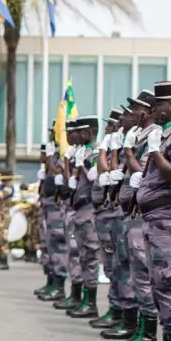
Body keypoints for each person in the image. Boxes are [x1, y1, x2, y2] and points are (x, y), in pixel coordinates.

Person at [128, 81, 171, 341]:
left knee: (170, 283)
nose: (156, 110)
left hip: (168, 220)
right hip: (154, 220)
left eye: (161, 105)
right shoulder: (164, 134)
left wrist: (154, 153)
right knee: (158, 284)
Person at [104, 91, 159, 341]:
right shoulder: (138, 136)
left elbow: (145, 172)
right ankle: (135, 326)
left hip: (144, 214)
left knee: (141, 276)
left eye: (134, 110)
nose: (129, 115)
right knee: (129, 271)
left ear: (146, 111)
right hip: (130, 213)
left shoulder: (154, 137)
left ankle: (146, 334)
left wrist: (126, 152)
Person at [89, 108, 127, 329]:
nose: (107, 130)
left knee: (121, 268)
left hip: (116, 213)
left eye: (110, 126)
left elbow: (108, 172)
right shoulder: (117, 147)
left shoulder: (121, 148)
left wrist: (108, 150)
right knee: (112, 266)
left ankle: (125, 316)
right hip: (105, 213)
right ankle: (115, 309)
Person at [65, 115, 102, 319]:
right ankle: (83, 298)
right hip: (79, 208)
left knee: (90, 256)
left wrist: (81, 166)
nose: (74, 135)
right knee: (82, 255)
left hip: (89, 208)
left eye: (78, 132)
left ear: (87, 133)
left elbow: (94, 179)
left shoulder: (96, 152)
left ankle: (91, 301)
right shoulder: (81, 151)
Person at [38, 120, 74, 302]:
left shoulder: (64, 153)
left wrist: (51, 157)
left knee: (58, 246)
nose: (53, 134)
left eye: (56, 131)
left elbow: (56, 172)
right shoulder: (58, 152)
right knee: (48, 244)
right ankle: (51, 280)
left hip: (57, 207)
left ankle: (59, 286)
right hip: (48, 205)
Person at [53, 120, 85, 310]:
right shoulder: (73, 153)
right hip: (70, 208)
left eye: (73, 133)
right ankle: (73, 293)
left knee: (79, 254)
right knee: (72, 253)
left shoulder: (87, 153)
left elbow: (76, 179)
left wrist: (67, 163)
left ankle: (80, 297)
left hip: (81, 209)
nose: (69, 137)